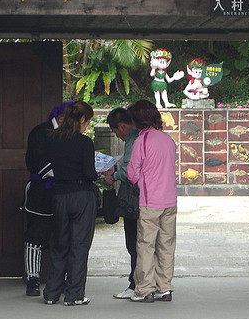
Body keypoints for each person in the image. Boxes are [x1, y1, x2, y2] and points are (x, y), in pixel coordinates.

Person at [42, 101, 98, 306]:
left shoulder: (53, 140)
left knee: (60, 244)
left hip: (59, 195)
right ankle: (74, 295)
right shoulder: (84, 143)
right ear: (82, 119)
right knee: (79, 246)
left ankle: (51, 293)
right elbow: (89, 173)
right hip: (81, 195)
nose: (87, 125)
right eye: (88, 121)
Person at [126, 100, 177, 303]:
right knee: (166, 245)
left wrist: (140, 181)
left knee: (146, 245)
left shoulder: (142, 141)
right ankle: (165, 287)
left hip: (150, 201)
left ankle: (145, 288)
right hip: (169, 200)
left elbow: (132, 172)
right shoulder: (168, 140)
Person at [22, 101, 74, 296]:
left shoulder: (70, 135)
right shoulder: (40, 133)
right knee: (35, 236)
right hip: (40, 192)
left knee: (64, 236)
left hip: (64, 192)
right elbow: (39, 163)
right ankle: (33, 279)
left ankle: (62, 279)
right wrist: (68, 173)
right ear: (60, 117)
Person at [103, 107, 140, 299]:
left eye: (115, 131)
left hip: (134, 198)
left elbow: (130, 172)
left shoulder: (133, 140)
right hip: (150, 198)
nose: (117, 136)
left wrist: (113, 176)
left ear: (122, 126)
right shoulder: (145, 137)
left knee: (133, 243)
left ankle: (135, 284)